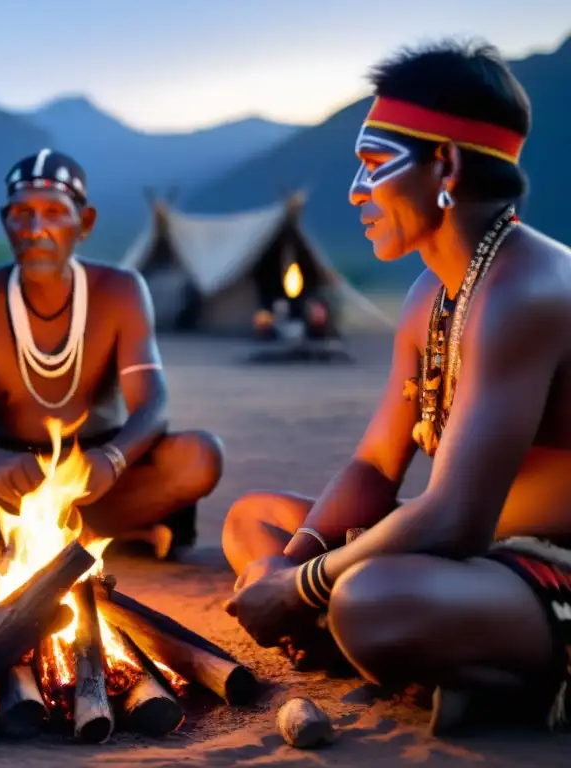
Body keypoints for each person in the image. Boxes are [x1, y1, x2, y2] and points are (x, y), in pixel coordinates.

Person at [222, 39, 571, 732]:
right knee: (253, 522)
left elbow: (454, 518)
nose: (356, 189)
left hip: (547, 565)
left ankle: (498, 672)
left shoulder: (526, 291)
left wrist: (297, 590)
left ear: (444, 164)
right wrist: (287, 570)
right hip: (472, 557)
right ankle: (455, 662)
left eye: (376, 164)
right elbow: (377, 464)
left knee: (366, 601)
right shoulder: (432, 293)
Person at [0, 148, 224, 572]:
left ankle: (9, 539)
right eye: (22, 214)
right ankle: (110, 537)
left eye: (54, 212)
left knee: (200, 456)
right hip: (2, 473)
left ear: (84, 223)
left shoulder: (120, 290)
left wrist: (113, 459)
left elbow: (153, 405)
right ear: (6, 222)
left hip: (99, 471)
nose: (37, 229)